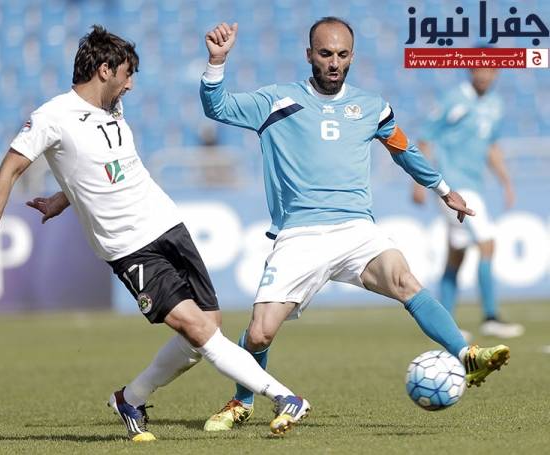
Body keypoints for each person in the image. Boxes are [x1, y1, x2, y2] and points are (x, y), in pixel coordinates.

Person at [0, 25, 310, 440]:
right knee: (199, 330)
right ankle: (283, 396)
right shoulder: (52, 117)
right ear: (104, 70)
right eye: (127, 74)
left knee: (207, 326)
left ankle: (131, 398)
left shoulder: (113, 108)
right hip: (129, 246)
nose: (131, 84)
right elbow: (9, 169)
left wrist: (61, 199)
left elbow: (103, 167)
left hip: (167, 224)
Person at [198, 18, 511, 432]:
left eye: (342, 55)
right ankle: (243, 400)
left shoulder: (371, 106)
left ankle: (466, 354)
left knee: (404, 280)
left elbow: (403, 148)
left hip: (356, 229)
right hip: (301, 234)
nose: (334, 62)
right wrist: (217, 62)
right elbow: (217, 107)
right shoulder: (276, 101)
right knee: (259, 335)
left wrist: (442, 188)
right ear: (309, 55)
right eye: (325, 54)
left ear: (352, 57)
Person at [413, 67, 524, 340]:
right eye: (479, 69)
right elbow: (426, 137)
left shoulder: (495, 104)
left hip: (474, 186)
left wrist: (506, 181)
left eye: (490, 70)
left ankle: (445, 322)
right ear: (470, 71)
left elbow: (491, 146)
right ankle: (490, 317)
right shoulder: (453, 99)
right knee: (487, 242)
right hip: (452, 187)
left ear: (497, 73)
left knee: (457, 253)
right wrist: (418, 182)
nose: (484, 75)